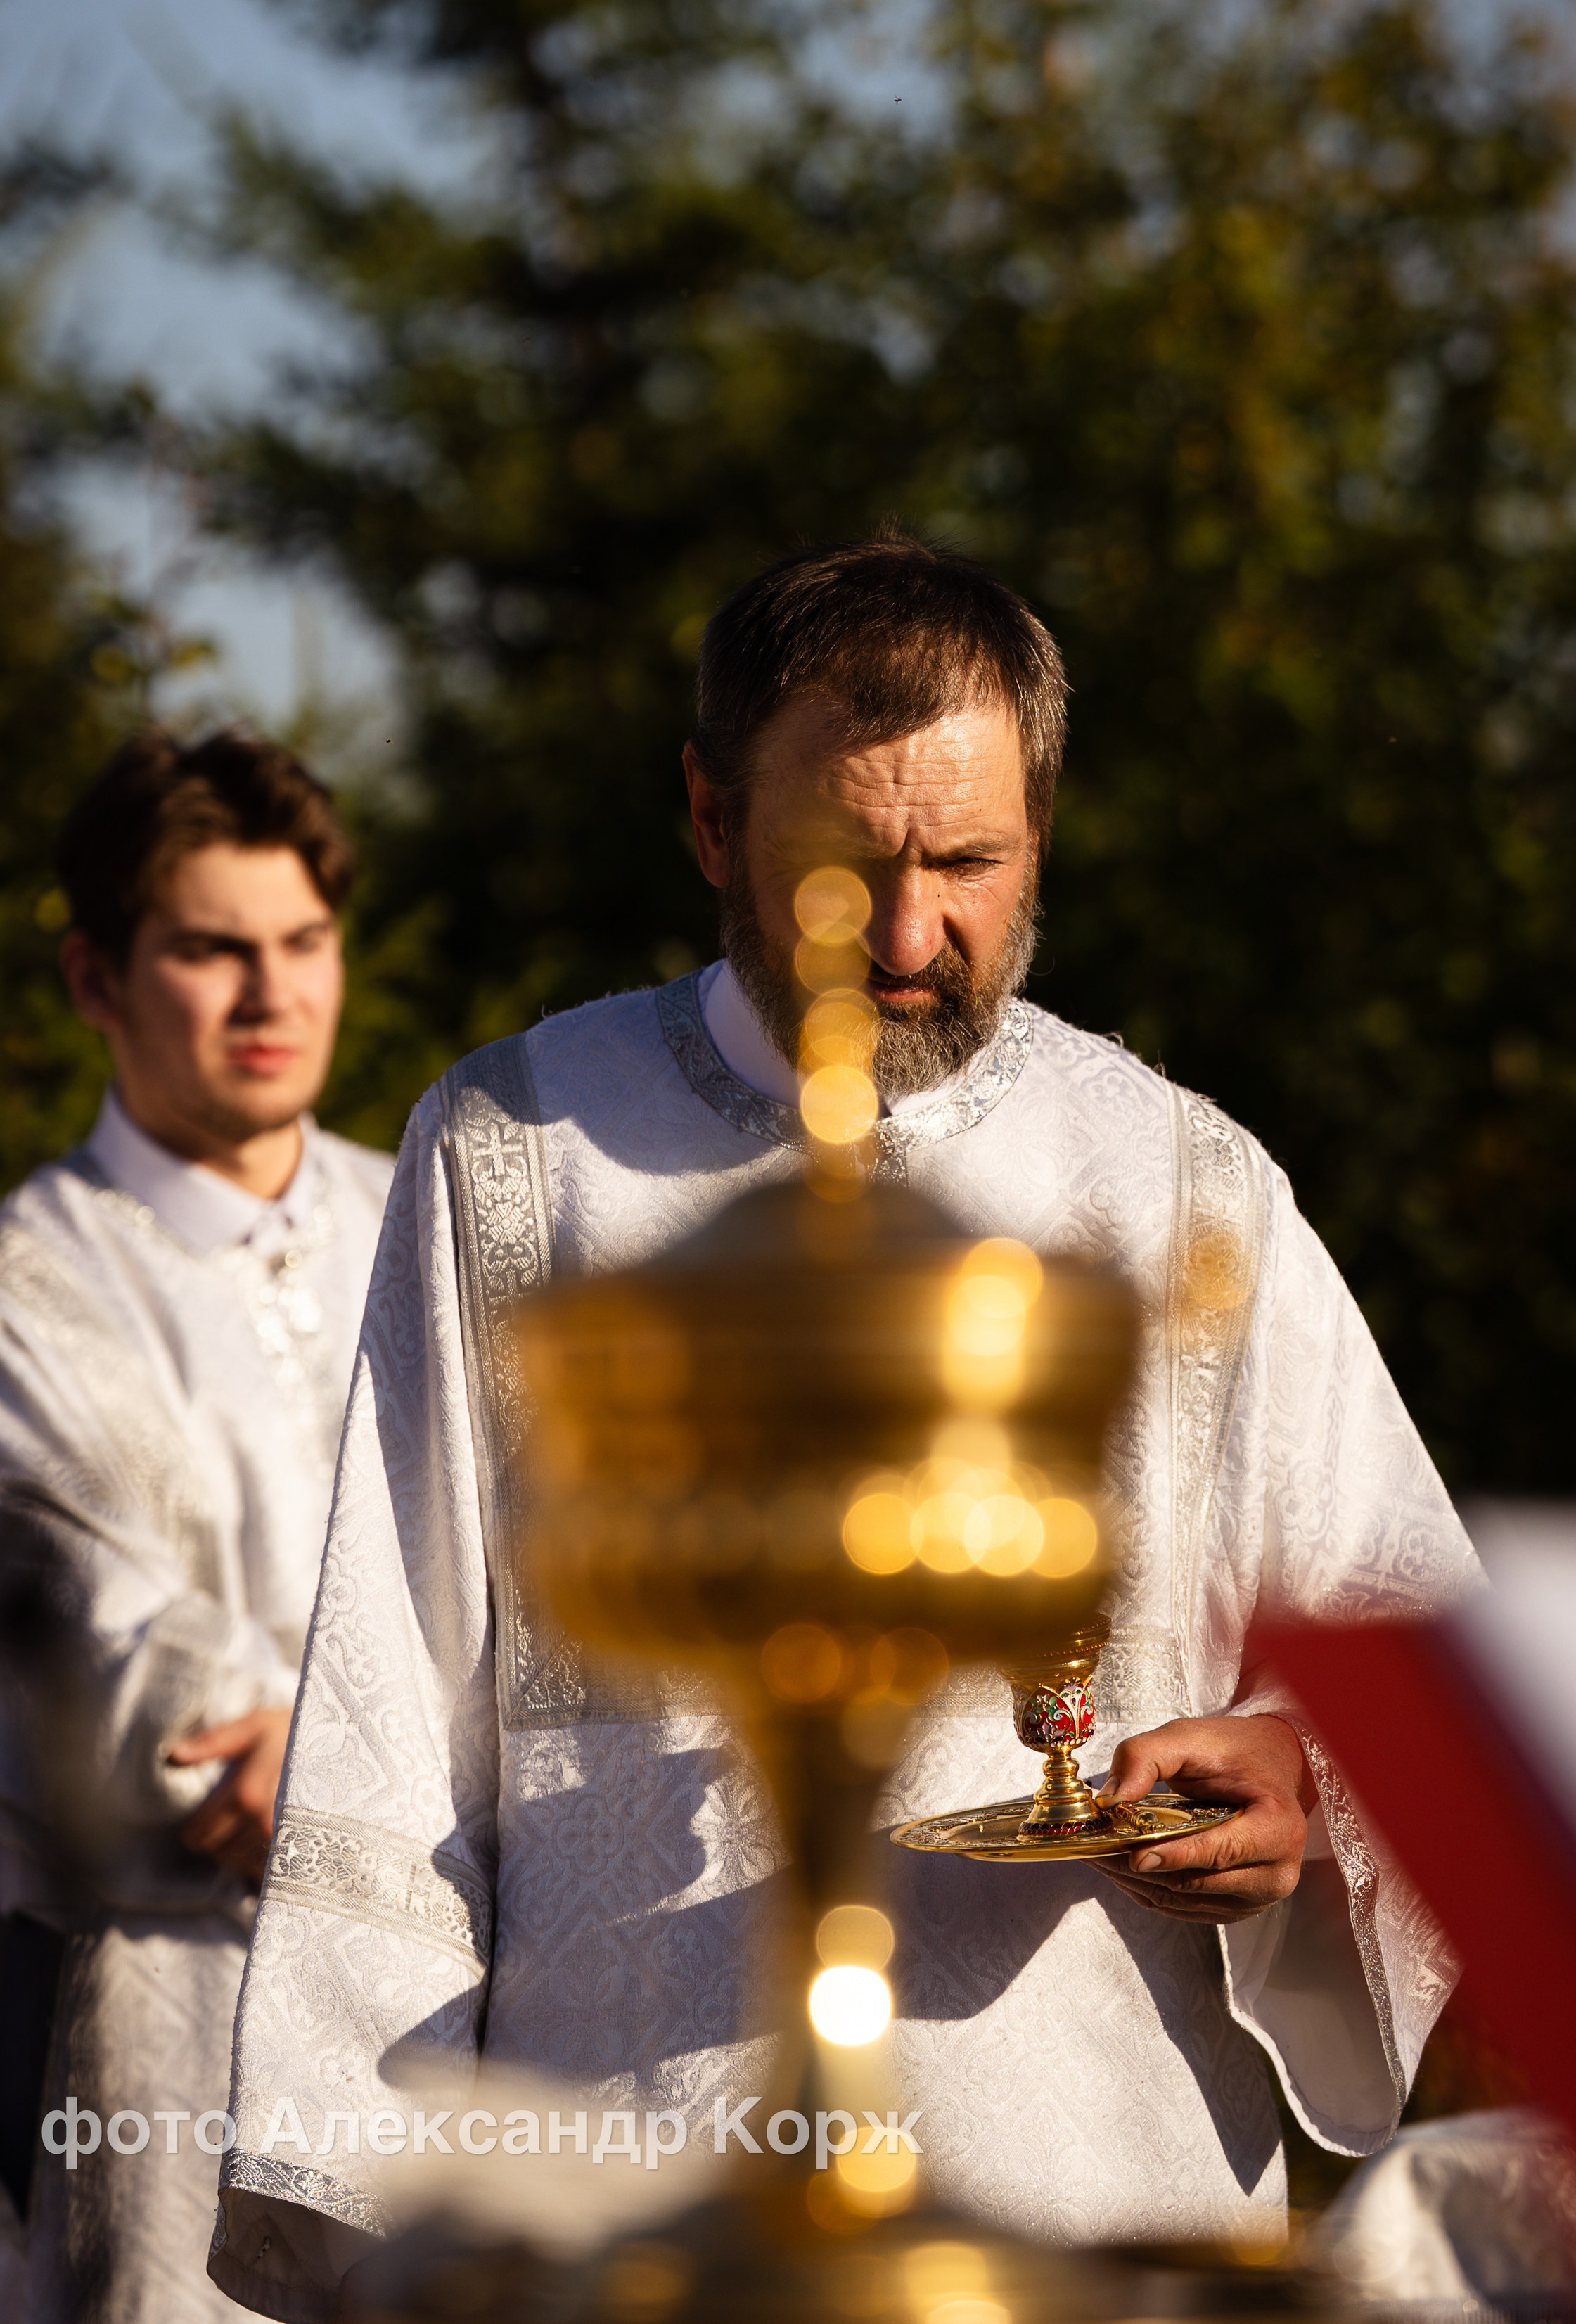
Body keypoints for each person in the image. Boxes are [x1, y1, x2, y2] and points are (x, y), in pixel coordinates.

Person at [211, 537, 1478, 2318]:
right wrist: (379, 2193)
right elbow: (388, 1691)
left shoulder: (1180, 1183)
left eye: (967, 861)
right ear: (714, 820)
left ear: (1041, 815)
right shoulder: (516, 1151)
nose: (906, 937)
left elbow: (1403, 1649)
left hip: (1090, 2183)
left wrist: (1303, 1792)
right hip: (633, 2182)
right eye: (841, 864)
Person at [0, 729, 395, 2323]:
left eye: (301, 942)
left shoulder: (427, 1218)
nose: (271, 996)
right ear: (95, 976)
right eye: (210, 948)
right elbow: (143, 1671)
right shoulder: (20, 1296)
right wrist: (356, 1761)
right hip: (174, 2024)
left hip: (461, 1996)